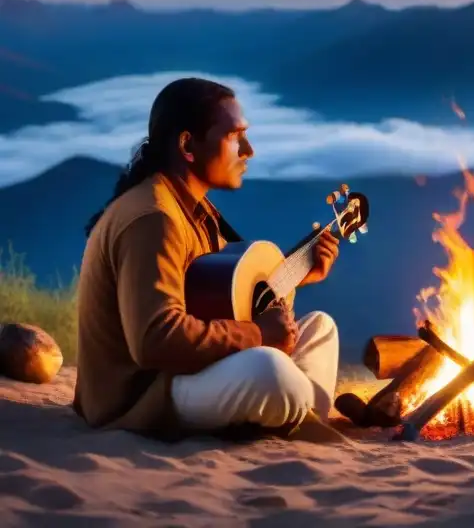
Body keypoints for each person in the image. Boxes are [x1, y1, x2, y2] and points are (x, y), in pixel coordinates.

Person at [73, 77, 342, 441]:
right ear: (187, 144)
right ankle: (295, 410)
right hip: (145, 396)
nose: (249, 150)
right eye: (235, 137)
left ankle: (290, 409)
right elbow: (156, 339)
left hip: (189, 373)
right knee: (271, 370)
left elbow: (221, 300)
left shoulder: (195, 210)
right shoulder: (155, 218)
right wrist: (260, 334)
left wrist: (301, 276)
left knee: (320, 328)